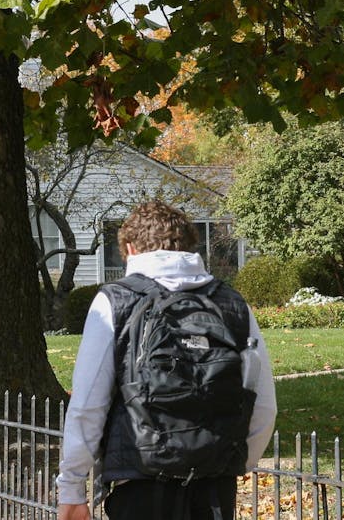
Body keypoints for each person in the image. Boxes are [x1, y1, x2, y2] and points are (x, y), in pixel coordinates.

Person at [57, 200, 277, 520]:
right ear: (190, 246)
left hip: (140, 481)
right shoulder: (231, 303)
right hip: (215, 484)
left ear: (130, 249)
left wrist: (73, 488)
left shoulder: (116, 299)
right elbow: (264, 404)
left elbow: (89, 403)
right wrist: (235, 463)